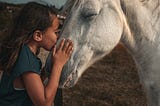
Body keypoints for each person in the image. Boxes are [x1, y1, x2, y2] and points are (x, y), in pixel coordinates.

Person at [0, 2, 73, 106]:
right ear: (38, 35)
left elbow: (30, 84)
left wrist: (47, 71)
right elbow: (44, 103)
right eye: (56, 32)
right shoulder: (26, 60)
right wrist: (58, 65)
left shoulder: (23, 52)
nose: (58, 37)